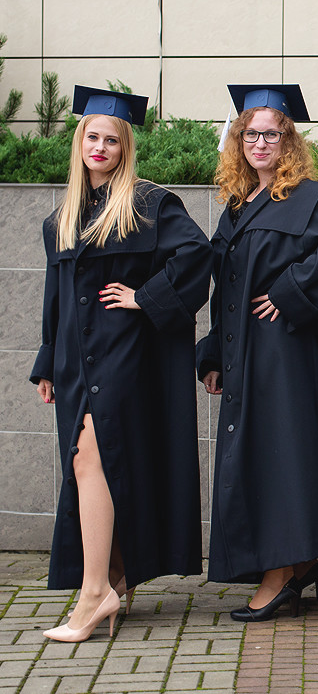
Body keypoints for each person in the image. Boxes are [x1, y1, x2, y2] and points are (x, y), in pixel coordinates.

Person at [31, 86, 211, 642]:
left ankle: (94, 595)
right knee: (95, 465)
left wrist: (144, 297)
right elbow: (56, 298)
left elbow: (197, 254)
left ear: (125, 148)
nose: (101, 147)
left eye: (112, 140)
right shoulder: (62, 218)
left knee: (93, 458)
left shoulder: (148, 205)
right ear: (79, 142)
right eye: (93, 137)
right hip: (75, 362)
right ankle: (114, 575)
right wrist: (46, 362)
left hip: (125, 357)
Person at [197, 84, 318, 621]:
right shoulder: (238, 203)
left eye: (271, 134)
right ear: (238, 140)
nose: (260, 143)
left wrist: (289, 293)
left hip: (285, 350)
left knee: (282, 457)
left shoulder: (312, 199)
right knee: (255, 456)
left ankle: (280, 573)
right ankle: (301, 563)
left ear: (288, 140)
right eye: (251, 134)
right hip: (242, 352)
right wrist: (213, 354)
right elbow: (225, 285)